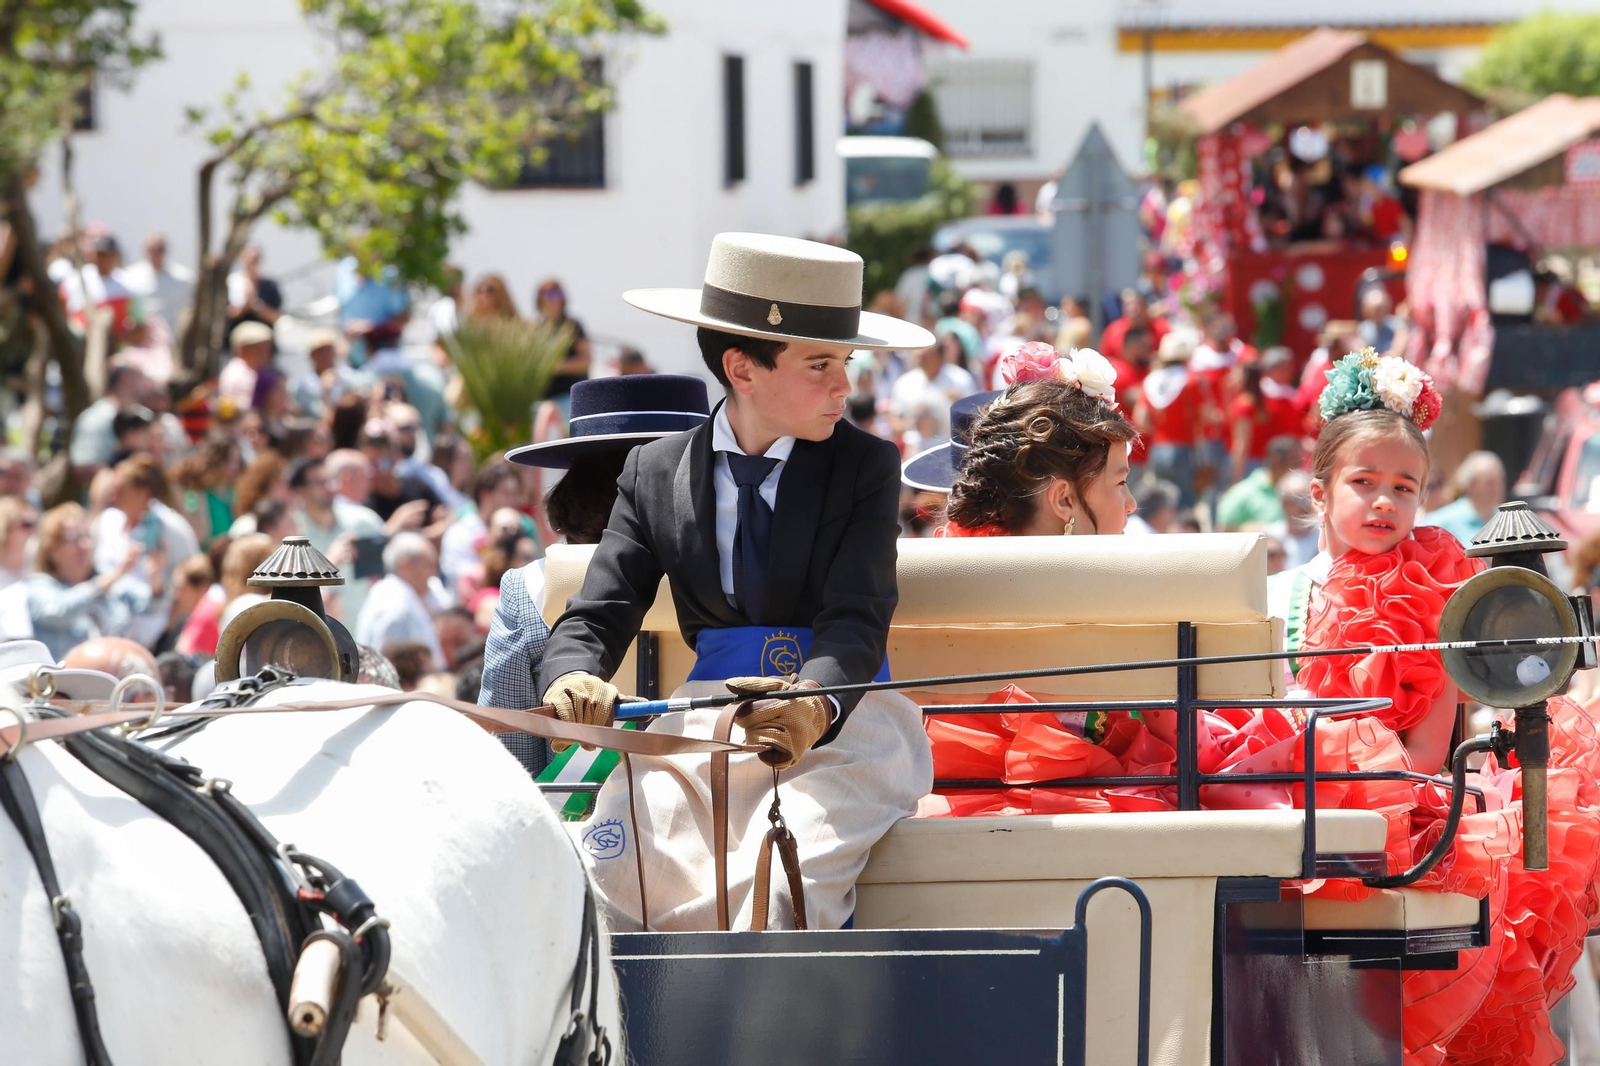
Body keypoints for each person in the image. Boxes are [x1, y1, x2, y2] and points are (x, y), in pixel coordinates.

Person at [536, 232, 934, 931]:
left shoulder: (865, 466)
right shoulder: (653, 472)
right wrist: (571, 676)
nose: (845, 384)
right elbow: (597, 614)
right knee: (610, 879)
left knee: (779, 891)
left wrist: (815, 702)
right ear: (742, 369)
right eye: (821, 364)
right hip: (700, 725)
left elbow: (859, 616)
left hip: (845, 728)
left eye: (845, 362)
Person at [1270, 350, 1600, 1063]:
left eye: (1405, 487)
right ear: (1320, 491)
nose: (1385, 502)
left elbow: (1424, 754)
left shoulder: (1437, 597)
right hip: (1277, 805)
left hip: (1402, 819)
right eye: (1364, 482)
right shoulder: (1276, 599)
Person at [482, 373, 711, 780]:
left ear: (577, 482)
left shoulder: (530, 587)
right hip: (723, 814)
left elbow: (510, 755)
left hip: (583, 824)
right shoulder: (749, 577)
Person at [92, 453, 195, 647]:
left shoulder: (172, 528)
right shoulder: (107, 521)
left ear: (143, 494)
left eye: (121, 491)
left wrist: (170, 627)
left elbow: (193, 576)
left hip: (157, 637)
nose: (114, 497)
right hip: (105, 631)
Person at [27, 503, 151, 660]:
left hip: (115, 678)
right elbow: (58, 611)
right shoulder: (39, 586)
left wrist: (156, 580)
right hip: (65, 682)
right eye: (74, 539)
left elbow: (149, 603)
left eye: (86, 537)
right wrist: (108, 580)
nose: (84, 546)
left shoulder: (105, 578)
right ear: (52, 551)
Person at [1135, 329, 1207, 509]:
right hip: (1185, 448)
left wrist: (1160, 430)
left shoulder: (1151, 380)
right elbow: (1206, 414)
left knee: (1163, 503)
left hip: (1158, 448)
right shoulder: (1191, 381)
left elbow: (1141, 418)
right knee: (1186, 502)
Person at [355, 531, 446, 673]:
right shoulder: (394, 603)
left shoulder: (399, 593)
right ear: (405, 564)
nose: (434, 572)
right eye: (429, 565)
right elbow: (387, 663)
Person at [439, 463, 523, 594]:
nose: (513, 500)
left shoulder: (519, 530)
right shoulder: (461, 532)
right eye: (506, 493)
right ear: (485, 495)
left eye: (515, 494)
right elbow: (466, 583)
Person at [70, 364, 155, 480]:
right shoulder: (94, 418)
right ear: (126, 379)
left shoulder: (146, 415)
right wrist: (124, 469)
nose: (146, 382)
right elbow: (82, 468)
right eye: (140, 377)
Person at [1215, 434, 1303, 532]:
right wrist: (1265, 530)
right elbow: (1224, 530)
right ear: (1276, 461)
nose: (1299, 468)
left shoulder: (1302, 491)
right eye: (1295, 461)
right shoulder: (1242, 493)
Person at [1421, 451, 1507, 547]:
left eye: (1500, 481)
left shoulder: (1506, 520)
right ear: (1471, 485)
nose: (1497, 488)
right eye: (1490, 483)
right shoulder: (1444, 520)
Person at [535, 279, 592, 413]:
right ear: (539, 299)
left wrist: (555, 366)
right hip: (542, 400)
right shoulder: (535, 329)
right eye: (548, 294)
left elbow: (586, 362)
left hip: (570, 397)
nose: (553, 299)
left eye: (557, 294)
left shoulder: (572, 326)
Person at [120, 232, 194, 327]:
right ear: (145, 250)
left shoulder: (184, 277)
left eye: (160, 249)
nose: (156, 253)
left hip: (174, 335)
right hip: (140, 336)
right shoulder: (129, 276)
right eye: (153, 249)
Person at [225, 244, 283, 335]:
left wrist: (256, 306)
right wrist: (244, 307)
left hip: (264, 338)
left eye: (255, 260)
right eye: (249, 259)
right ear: (242, 259)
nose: (252, 263)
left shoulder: (269, 286)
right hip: (235, 337)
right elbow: (225, 314)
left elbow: (276, 316)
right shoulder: (231, 283)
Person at [219, 320, 276, 407]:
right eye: (259, 349)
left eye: (267, 348)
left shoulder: (260, 371)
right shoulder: (235, 373)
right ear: (242, 349)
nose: (265, 353)